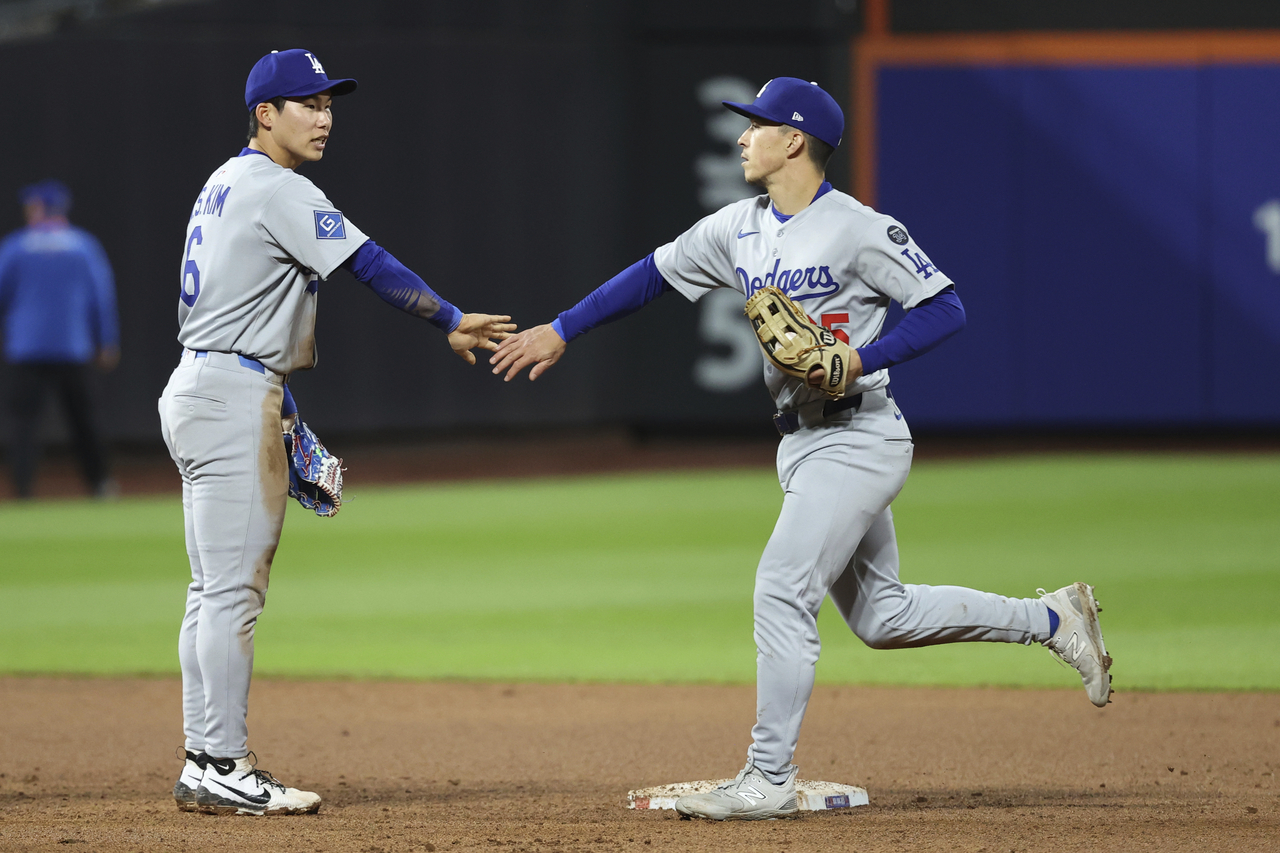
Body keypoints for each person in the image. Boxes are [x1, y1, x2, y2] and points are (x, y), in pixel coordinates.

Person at [490, 77, 1112, 821]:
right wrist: (562, 328)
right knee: (884, 617)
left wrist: (862, 356)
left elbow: (946, 306)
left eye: (755, 124)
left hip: (860, 434)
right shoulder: (738, 228)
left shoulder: (856, 227)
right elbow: (651, 275)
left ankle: (768, 776)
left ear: (794, 138)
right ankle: (1052, 618)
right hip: (802, 445)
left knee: (782, 587)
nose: (742, 136)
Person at [160, 49, 515, 817]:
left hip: (206, 383)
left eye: (329, 104)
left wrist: (281, 408)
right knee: (232, 592)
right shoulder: (277, 187)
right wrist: (452, 319)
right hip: (227, 393)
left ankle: (203, 756)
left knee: (210, 590)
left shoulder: (224, 181)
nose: (324, 117)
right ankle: (221, 761)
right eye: (307, 104)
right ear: (266, 114)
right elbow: (368, 262)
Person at [0, 180, 119, 499]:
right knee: (85, 422)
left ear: (40, 208)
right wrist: (106, 341)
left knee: (24, 425)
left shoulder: (16, 246)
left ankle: (22, 491)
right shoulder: (83, 246)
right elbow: (101, 296)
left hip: (27, 349)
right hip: (73, 348)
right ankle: (100, 485)